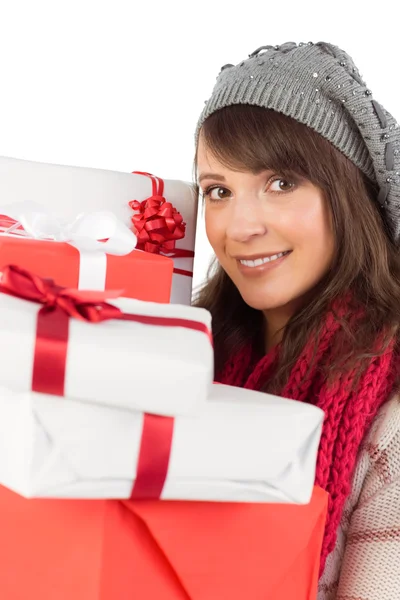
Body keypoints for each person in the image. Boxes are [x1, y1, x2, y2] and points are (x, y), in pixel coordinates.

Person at [194, 41, 400, 599]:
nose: (239, 227)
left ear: (350, 194)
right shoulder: (182, 352)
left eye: (280, 183)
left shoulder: (390, 424)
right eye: (218, 190)